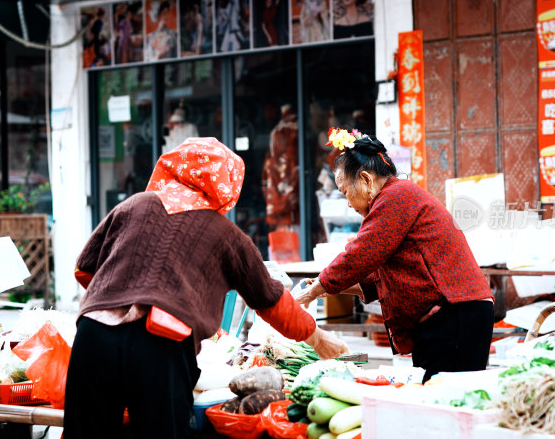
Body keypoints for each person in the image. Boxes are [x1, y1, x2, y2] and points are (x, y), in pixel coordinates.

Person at [65, 137, 348, 438]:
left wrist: (122, 299)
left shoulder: (135, 204)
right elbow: (271, 301)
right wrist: (318, 339)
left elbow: (85, 268)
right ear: (226, 186)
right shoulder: (227, 235)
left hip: (93, 336)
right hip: (160, 344)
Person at [295, 128, 494, 383]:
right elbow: (375, 279)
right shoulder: (395, 198)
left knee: (442, 400)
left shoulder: (396, 197)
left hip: (454, 314)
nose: (347, 203)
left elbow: (360, 253)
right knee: (435, 399)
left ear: (366, 180)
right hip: (450, 315)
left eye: (345, 192)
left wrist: (315, 290)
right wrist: (325, 288)